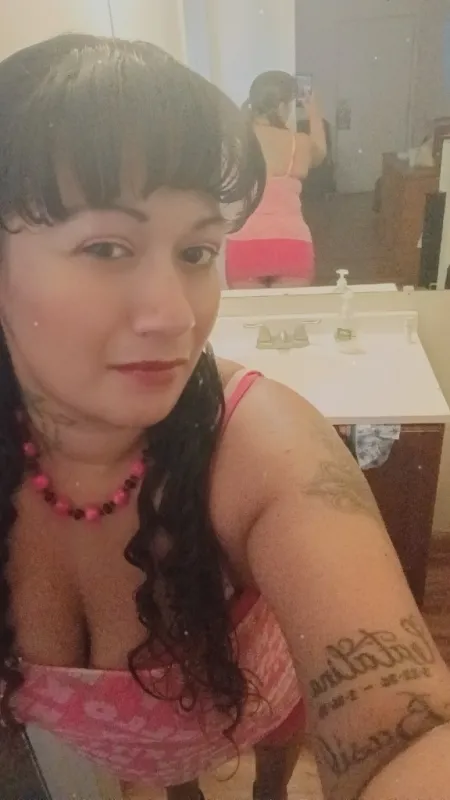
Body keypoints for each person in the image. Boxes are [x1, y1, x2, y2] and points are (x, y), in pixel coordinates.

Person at [1, 33, 450, 800]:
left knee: (275, 760)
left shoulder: (262, 445)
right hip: (144, 758)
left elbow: (405, 735)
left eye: (197, 252)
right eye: (107, 247)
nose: (177, 316)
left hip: (262, 708)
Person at [225, 71, 327, 289]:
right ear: (281, 106)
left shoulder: (235, 141)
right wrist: (313, 112)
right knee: (289, 312)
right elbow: (320, 153)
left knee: (249, 312)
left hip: (245, 244)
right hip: (291, 244)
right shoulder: (298, 143)